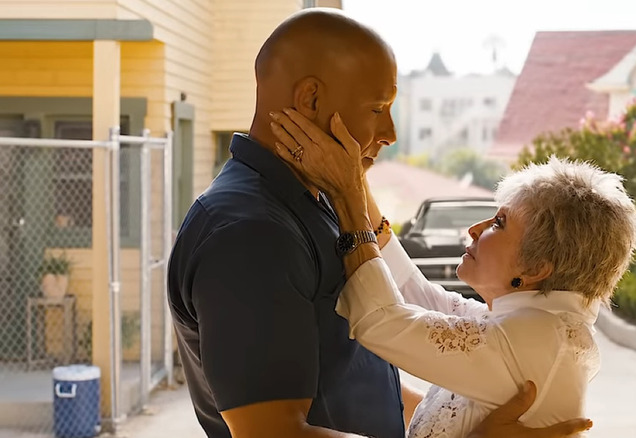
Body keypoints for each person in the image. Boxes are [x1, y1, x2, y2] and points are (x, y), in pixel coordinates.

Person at [167, 7, 591, 438]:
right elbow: (272, 433)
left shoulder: (317, 202)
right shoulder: (250, 234)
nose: (390, 132)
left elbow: (365, 374)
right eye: (377, 108)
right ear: (310, 100)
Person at [269, 109, 636, 437]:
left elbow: (383, 321)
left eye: (499, 223)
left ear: (537, 267)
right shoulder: (531, 325)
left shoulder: (535, 337)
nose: (475, 229)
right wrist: (356, 179)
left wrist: (347, 193)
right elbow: (416, 293)